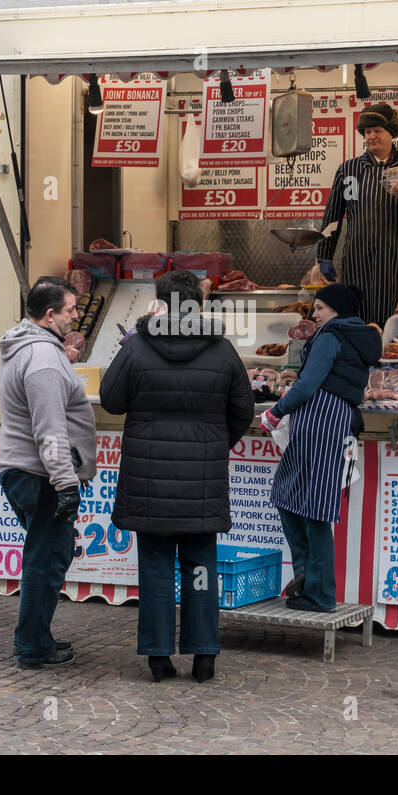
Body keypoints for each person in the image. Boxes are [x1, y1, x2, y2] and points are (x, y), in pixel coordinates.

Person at [99, 271, 254, 682]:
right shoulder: (222, 351)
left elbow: (111, 401)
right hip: (201, 484)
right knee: (200, 566)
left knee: (155, 567)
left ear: (161, 304)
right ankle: (204, 656)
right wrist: (215, 446)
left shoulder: (137, 347)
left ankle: (158, 658)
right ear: (198, 305)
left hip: (148, 483)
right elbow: (244, 411)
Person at [259, 283, 380, 612]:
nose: (315, 313)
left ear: (337, 310)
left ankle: (318, 592)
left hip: (319, 420)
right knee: (302, 502)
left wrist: (274, 412)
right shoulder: (358, 335)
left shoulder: (331, 335)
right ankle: (307, 579)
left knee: (307, 507)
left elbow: (307, 384)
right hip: (339, 421)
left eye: (321, 308)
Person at [0, 277, 97, 669]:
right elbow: (50, 428)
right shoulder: (42, 358)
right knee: (47, 558)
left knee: (47, 554)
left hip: (30, 471)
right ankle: (32, 646)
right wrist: (65, 482)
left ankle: (37, 637)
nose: (75, 316)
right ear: (50, 314)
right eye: (71, 310)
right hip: (41, 475)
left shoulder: (26, 346)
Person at [315, 102, 398, 327]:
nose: (371, 136)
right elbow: (332, 218)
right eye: (367, 132)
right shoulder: (348, 170)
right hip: (357, 261)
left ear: (392, 133)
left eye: (377, 131)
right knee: (356, 318)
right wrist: (324, 256)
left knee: (396, 321)